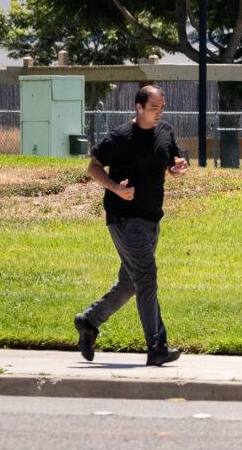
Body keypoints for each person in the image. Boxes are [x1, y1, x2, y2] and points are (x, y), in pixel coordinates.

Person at [74, 85, 188, 366]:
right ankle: (157, 346)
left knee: (129, 283)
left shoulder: (165, 131)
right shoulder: (121, 137)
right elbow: (93, 167)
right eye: (153, 108)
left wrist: (176, 169)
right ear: (139, 107)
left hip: (152, 219)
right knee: (146, 278)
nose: (159, 113)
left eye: (161, 108)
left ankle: (89, 321)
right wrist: (116, 188)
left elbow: (171, 164)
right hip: (125, 220)